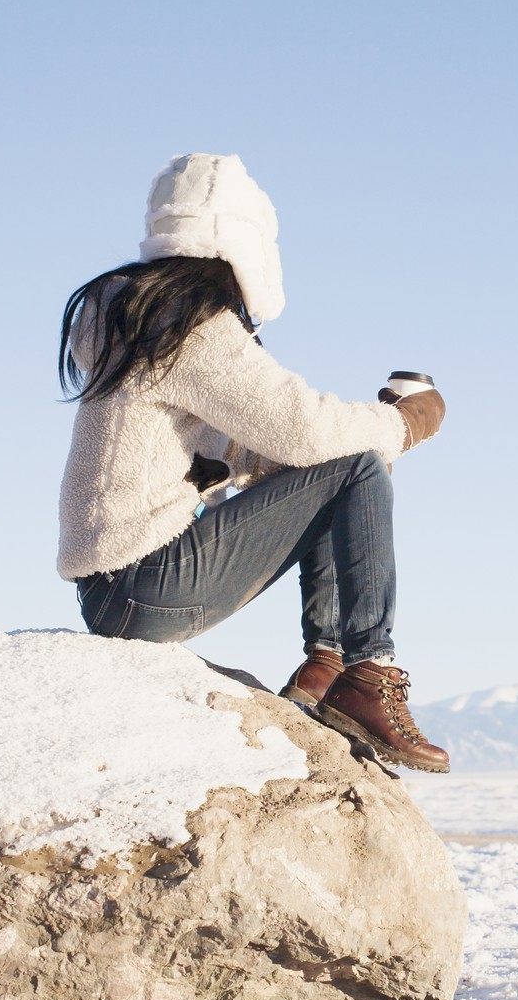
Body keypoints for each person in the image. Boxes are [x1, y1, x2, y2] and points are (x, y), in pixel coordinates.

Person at [55, 153, 450, 773]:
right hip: (145, 584)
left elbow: (258, 450)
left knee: (343, 467)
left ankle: (327, 668)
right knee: (354, 464)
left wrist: (343, 463)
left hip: (113, 590)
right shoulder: (186, 326)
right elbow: (304, 429)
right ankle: (366, 672)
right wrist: (405, 423)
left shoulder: (141, 317)